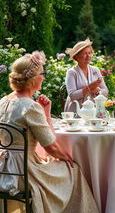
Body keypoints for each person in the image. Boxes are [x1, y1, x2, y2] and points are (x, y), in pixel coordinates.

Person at [0, 51, 99, 213]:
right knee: (74, 170)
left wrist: (46, 112)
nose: (43, 77)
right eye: (42, 73)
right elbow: (50, 146)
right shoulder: (30, 106)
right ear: (33, 79)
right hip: (24, 172)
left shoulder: (4, 101)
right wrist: (68, 159)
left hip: (4, 169)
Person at [64, 38, 108, 113]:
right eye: (85, 53)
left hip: (94, 110)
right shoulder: (72, 72)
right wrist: (89, 88)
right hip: (76, 111)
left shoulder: (95, 70)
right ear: (77, 56)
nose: (88, 56)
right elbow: (72, 96)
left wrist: (97, 91)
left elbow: (106, 91)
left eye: (89, 53)